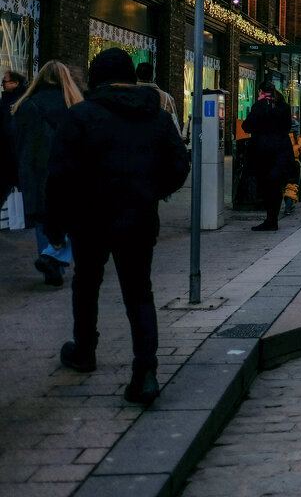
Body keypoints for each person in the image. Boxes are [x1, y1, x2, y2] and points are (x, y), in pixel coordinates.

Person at [45, 48, 189, 405]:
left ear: (96, 77)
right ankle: (145, 372)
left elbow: (59, 175)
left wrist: (55, 223)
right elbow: (179, 165)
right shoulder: (154, 116)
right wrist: (152, 191)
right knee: (139, 291)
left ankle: (84, 350)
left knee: (87, 282)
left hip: (88, 218)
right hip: (137, 217)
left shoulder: (81, 115)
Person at [11, 61, 84, 286]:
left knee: (43, 219)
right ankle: (54, 258)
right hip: (70, 174)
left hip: (35, 173)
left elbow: (16, 143)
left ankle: (50, 260)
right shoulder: (76, 106)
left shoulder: (27, 105)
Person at [242, 83, 292, 231]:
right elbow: (288, 127)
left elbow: (247, 126)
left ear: (261, 91)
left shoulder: (260, 106)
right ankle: (273, 219)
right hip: (281, 150)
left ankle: (270, 221)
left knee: (266, 185)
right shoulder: (284, 106)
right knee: (276, 186)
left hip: (263, 152)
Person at [135, 62, 181, 136]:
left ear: (136, 75)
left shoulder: (127, 94)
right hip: (158, 143)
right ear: (152, 76)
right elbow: (173, 127)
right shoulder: (167, 98)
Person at [283, 119, 301, 216]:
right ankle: (288, 207)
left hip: (283, 163)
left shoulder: (283, 138)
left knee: (285, 184)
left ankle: (288, 204)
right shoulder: (299, 139)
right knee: (292, 185)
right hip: (295, 163)